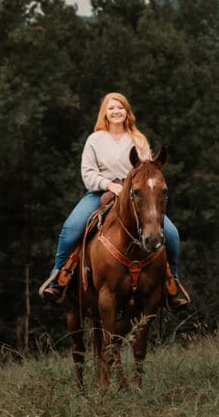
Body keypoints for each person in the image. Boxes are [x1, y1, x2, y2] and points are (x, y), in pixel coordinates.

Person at [39, 92, 189, 308]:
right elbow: (88, 173)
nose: (116, 111)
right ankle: (58, 277)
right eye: (111, 108)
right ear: (105, 113)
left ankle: (171, 282)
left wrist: (131, 189)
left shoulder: (138, 140)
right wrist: (109, 185)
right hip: (100, 192)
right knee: (71, 227)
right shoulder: (95, 140)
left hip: (134, 197)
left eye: (120, 107)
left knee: (172, 234)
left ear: (127, 112)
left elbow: (146, 174)